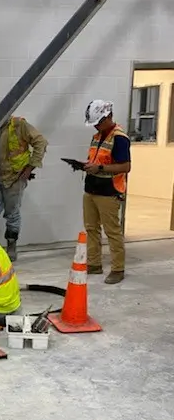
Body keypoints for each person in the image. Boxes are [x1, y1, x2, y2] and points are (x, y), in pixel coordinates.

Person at [0, 99, 48, 262]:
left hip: (14, 179)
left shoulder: (18, 125)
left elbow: (40, 142)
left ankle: (11, 247)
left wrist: (29, 168)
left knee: (12, 214)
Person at [82, 99, 131, 285]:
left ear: (108, 116)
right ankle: (94, 264)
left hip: (109, 192)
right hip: (91, 188)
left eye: (98, 122)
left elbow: (126, 166)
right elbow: (96, 159)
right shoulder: (97, 136)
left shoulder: (119, 138)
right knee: (91, 228)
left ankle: (118, 269)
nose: (96, 126)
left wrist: (100, 168)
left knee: (112, 231)